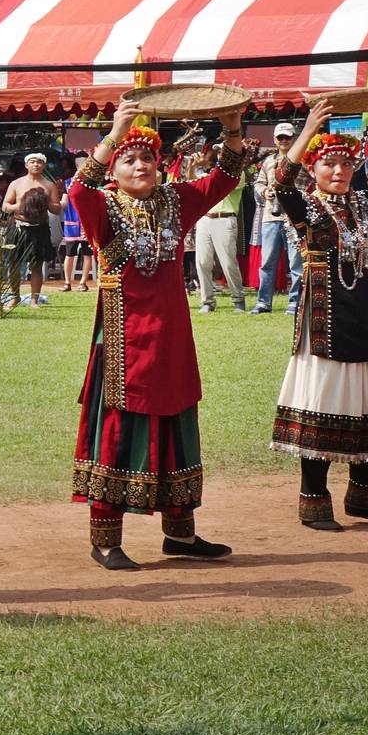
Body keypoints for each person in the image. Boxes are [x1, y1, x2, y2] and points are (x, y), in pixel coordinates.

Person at [70, 99, 244, 571]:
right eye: (129, 159)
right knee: (118, 429)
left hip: (171, 338)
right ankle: (105, 539)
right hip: (124, 339)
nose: (140, 165)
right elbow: (78, 190)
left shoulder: (176, 201)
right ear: (115, 170)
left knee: (178, 424)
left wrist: (232, 127)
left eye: (147, 157)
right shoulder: (103, 207)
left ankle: (181, 534)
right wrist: (114, 133)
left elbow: (224, 179)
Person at [268, 100, 368, 530]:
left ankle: (365, 496)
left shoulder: (363, 205)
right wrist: (307, 130)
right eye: (329, 164)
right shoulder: (307, 208)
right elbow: (281, 182)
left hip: (361, 317)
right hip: (322, 324)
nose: (338, 171)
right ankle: (313, 499)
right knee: (324, 400)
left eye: (346, 164)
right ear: (313, 168)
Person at [252, 123, 306, 314]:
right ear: (275, 140)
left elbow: (312, 182)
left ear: (294, 139)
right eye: (280, 138)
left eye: (287, 138)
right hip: (270, 215)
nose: (284, 141)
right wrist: (265, 191)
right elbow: (258, 183)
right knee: (267, 262)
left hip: (294, 217)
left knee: (296, 263)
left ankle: (295, 303)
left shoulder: (303, 159)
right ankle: (263, 302)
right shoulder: (268, 161)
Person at [192, 141, 249, 312]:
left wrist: (203, 170)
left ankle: (238, 299)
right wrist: (195, 167)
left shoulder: (238, 172)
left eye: (224, 152)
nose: (220, 155)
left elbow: (219, 184)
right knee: (202, 262)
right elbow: (191, 181)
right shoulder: (211, 172)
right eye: (219, 152)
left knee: (228, 263)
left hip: (224, 219)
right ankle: (207, 302)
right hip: (204, 219)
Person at [2, 152, 60, 306]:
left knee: (36, 264)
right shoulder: (16, 184)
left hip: (39, 229)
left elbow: (57, 209)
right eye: (33, 162)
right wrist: (21, 205)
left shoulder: (49, 185)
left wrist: (44, 202)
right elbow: (5, 206)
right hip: (18, 227)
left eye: (40, 162)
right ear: (27, 165)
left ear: (44, 166)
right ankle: (15, 296)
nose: (36, 164)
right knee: (13, 263)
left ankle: (34, 299)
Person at [60, 156, 92, 291]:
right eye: (80, 163)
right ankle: (67, 282)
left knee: (87, 254)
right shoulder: (68, 183)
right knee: (69, 253)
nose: (82, 165)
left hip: (87, 223)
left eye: (85, 162)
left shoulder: (92, 182)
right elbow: (64, 202)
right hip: (72, 223)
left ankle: (83, 283)